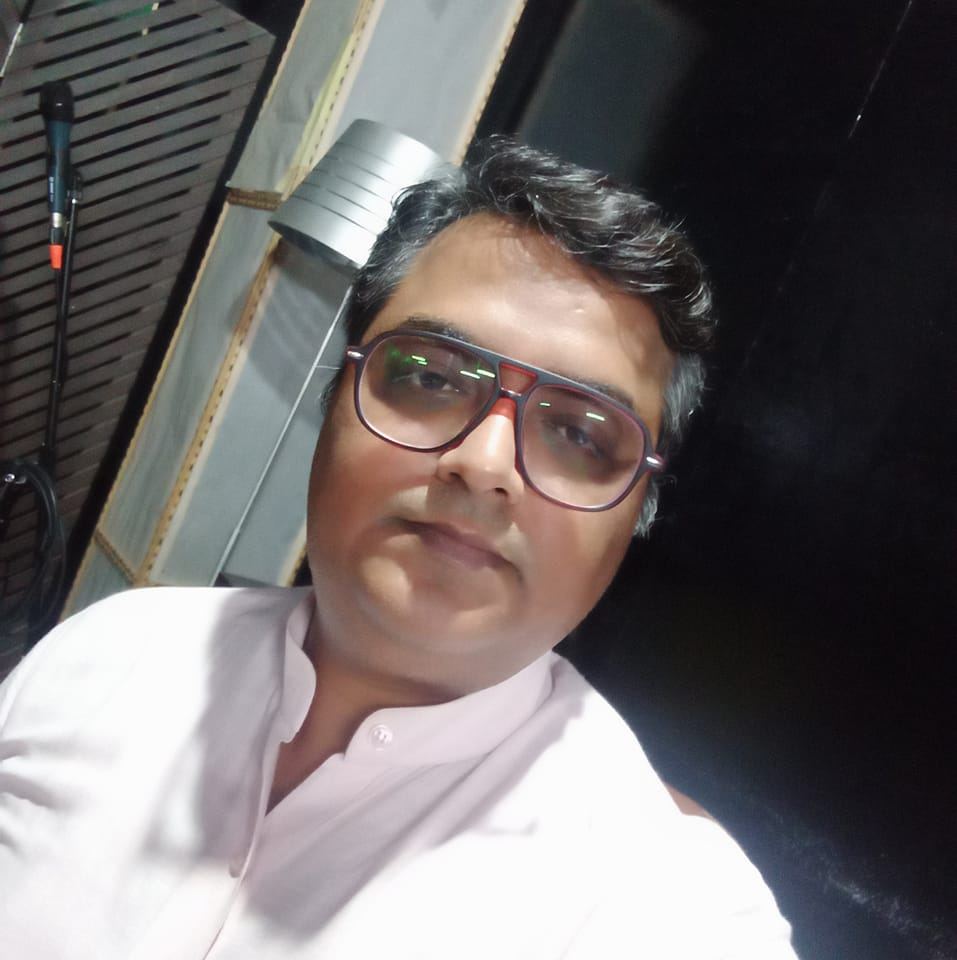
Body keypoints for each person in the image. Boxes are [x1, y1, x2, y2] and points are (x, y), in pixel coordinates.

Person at [0, 139, 798, 958]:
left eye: (579, 434)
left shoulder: (667, 905)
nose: (483, 463)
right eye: (429, 376)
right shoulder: (107, 654)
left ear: (636, 513)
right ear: (335, 395)